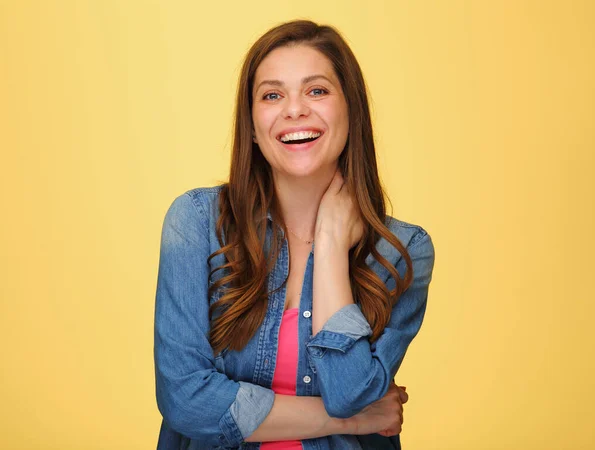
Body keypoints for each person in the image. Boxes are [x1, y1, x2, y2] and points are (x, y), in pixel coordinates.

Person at [153, 19, 435, 450]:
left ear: (351, 110)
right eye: (272, 95)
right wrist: (356, 421)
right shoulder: (197, 222)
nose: (294, 109)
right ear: (251, 124)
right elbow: (185, 400)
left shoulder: (402, 252)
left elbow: (348, 393)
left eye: (317, 90)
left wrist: (330, 242)